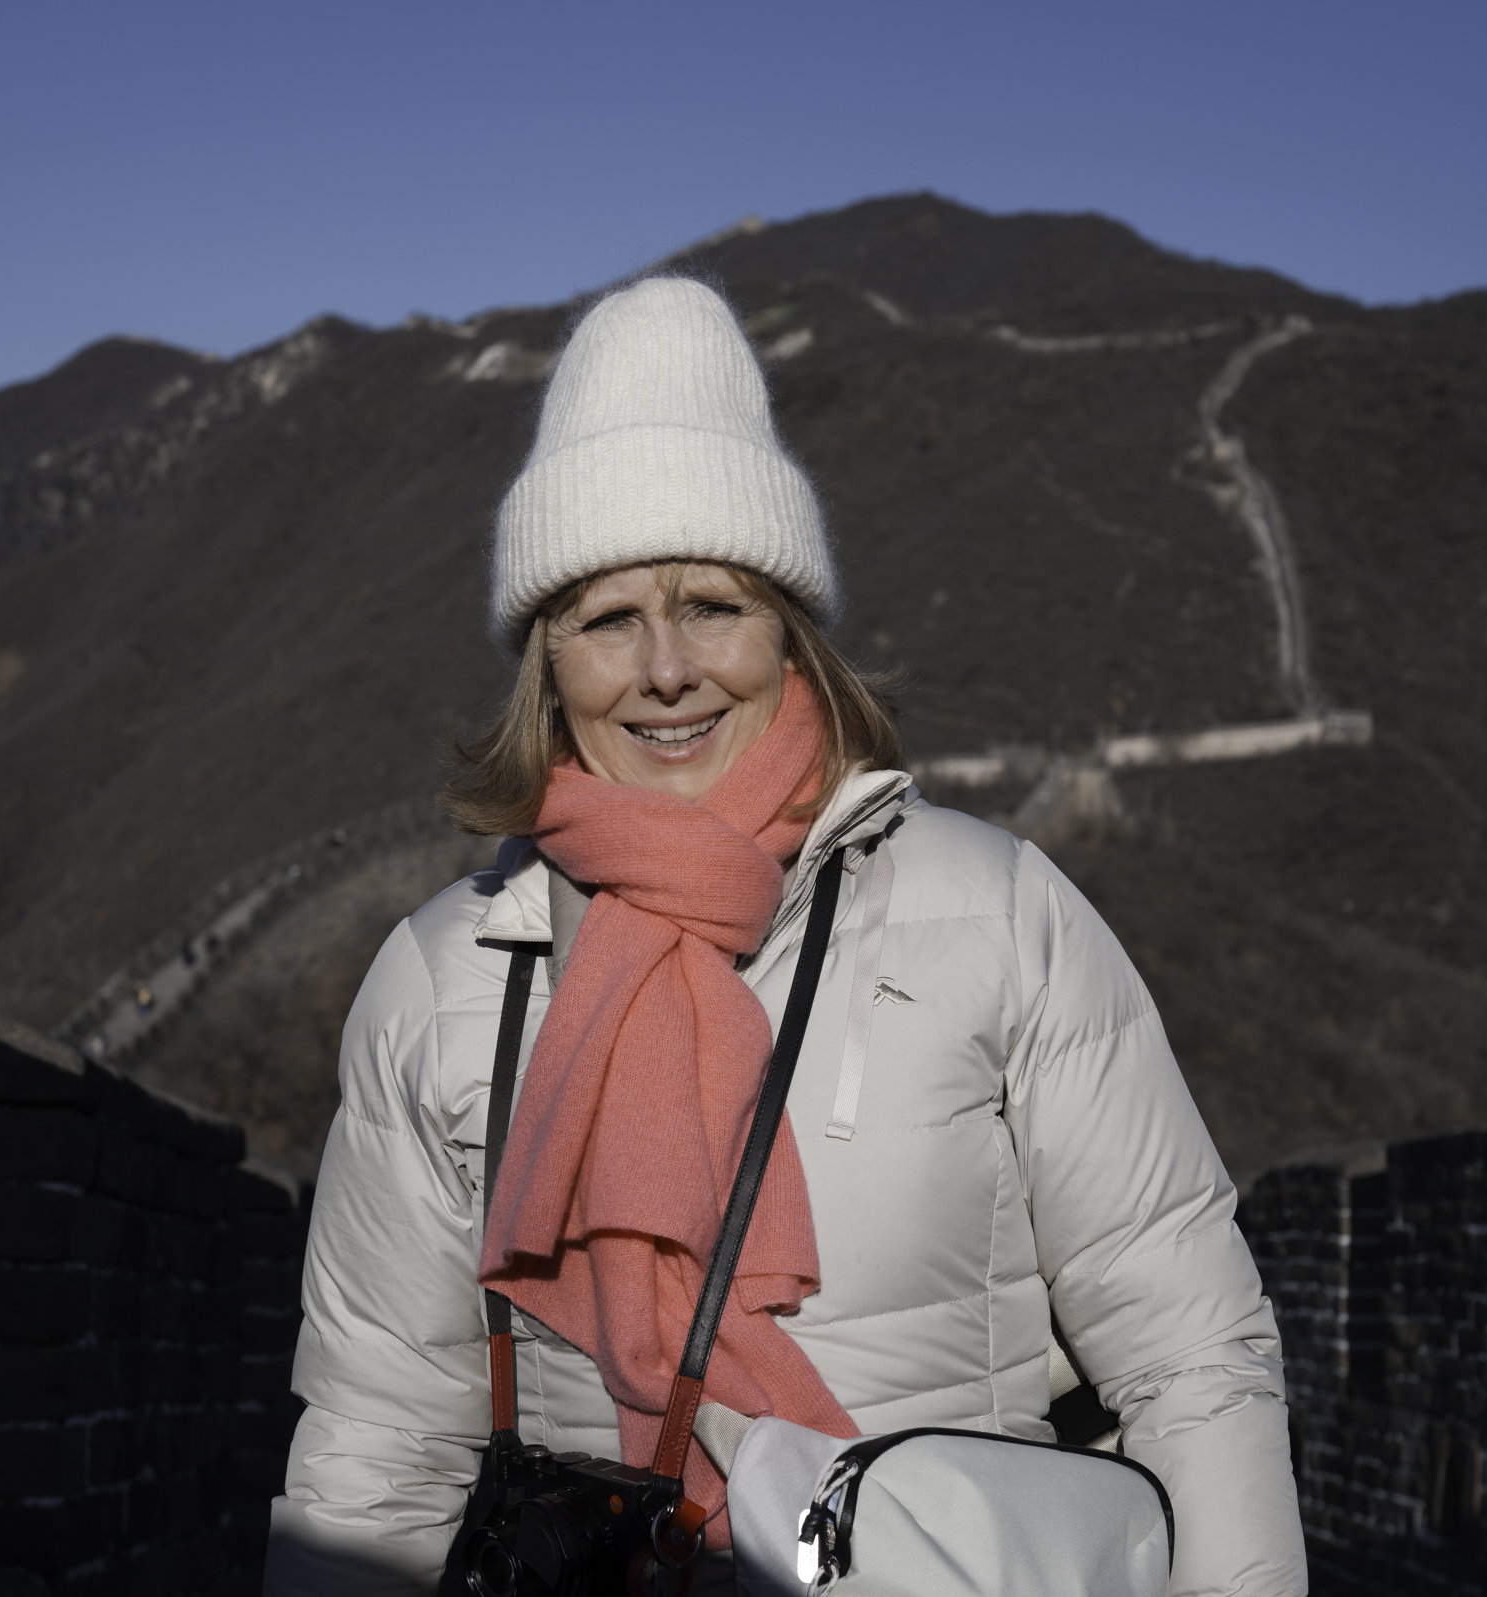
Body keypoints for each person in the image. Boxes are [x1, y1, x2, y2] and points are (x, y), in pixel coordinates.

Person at [265, 277, 1306, 1595]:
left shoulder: (998, 916)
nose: (665, 669)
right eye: (605, 618)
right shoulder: (449, 975)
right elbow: (376, 1456)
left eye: (712, 603)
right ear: (547, 659)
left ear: (787, 629)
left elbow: (1191, 1356)